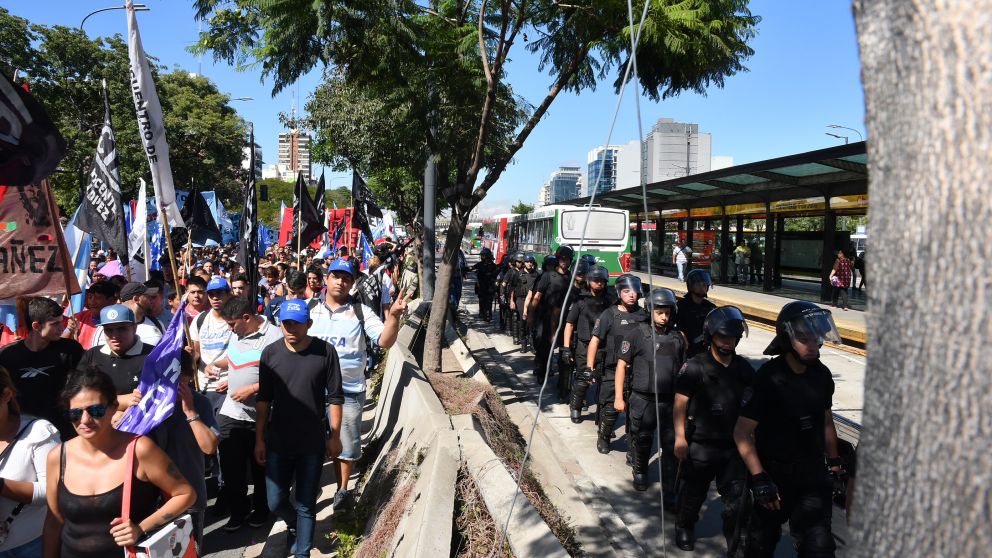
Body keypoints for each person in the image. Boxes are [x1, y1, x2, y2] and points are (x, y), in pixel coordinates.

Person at [42, 367, 195, 558]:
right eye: (75, 413)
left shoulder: (140, 450)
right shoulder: (57, 456)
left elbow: (185, 494)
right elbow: (54, 521)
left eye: (96, 410)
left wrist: (140, 528)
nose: (85, 420)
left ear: (114, 407)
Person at [734, 301, 846, 557]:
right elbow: (742, 431)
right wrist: (759, 477)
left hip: (813, 476)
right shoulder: (768, 378)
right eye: (804, 338)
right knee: (760, 544)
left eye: (816, 337)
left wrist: (835, 462)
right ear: (787, 339)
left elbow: (826, 421)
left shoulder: (822, 375)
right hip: (774, 477)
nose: (813, 344)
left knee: (820, 548)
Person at [306, 258, 409, 513]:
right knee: (310, 444)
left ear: (352, 283)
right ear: (326, 279)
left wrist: (394, 317)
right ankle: (310, 487)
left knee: (345, 446)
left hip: (349, 391)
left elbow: (384, 341)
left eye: (346, 278)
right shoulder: (308, 309)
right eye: (336, 276)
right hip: (310, 392)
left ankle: (342, 491)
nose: (340, 281)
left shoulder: (361, 312)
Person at [255, 300, 344, 558]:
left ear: (309, 324)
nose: (291, 328)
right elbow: (264, 400)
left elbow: (336, 397)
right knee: (275, 501)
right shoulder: (270, 354)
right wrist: (260, 438)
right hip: (278, 442)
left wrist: (334, 436)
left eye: (297, 323)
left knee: (306, 503)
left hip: (311, 443)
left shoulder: (325, 352)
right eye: (286, 323)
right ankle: (294, 524)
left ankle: (303, 551)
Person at [673, 306, 753, 551]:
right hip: (701, 446)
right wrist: (679, 438)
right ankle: (685, 526)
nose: (729, 342)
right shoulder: (694, 367)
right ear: (711, 336)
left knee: (738, 502)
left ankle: (735, 540)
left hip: (733, 447)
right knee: (692, 496)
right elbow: (679, 404)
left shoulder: (744, 369)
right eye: (723, 337)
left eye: (733, 337)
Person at [216, 297, 283, 531]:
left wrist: (253, 389)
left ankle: (261, 509)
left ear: (247, 318)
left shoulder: (275, 337)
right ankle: (238, 510)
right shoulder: (237, 334)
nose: (229, 329)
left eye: (232, 324)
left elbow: (282, 377)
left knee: (260, 467)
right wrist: (226, 375)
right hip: (230, 413)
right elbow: (239, 362)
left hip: (261, 418)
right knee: (232, 468)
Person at [615, 288, 686, 497]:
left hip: (669, 401)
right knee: (642, 439)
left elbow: (684, 371)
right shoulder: (636, 334)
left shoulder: (678, 338)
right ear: (650, 311)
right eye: (659, 312)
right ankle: (640, 471)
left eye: (667, 312)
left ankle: (670, 487)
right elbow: (621, 366)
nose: (664, 317)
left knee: (670, 445)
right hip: (642, 399)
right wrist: (619, 398)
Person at [0, 298, 83, 439]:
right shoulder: (7, 355)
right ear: (36, 326)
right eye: (55, 324)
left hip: (63, 431)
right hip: (21, 433)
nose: (61, 328)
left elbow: (83, 385)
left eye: (61, 321)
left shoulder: (70, 349)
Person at [0, 366, 60, 557]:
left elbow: (55, 491)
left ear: (7, 395)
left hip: (31, 546)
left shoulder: (39, 432)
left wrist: (2, 486)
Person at [586, 274, 647, 454]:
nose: (631, 295)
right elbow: (595, 341)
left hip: (636, 371)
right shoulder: (609, 314)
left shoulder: (643, 315)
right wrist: (589, 368)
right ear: (619, 293)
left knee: (636, 413)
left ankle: (634, 448)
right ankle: (604, 435)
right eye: (626, 291)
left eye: (634, 291)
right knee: (610, 408)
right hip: (612, 370)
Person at [563, 265, 614, 423]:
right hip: (584, 346)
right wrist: (566, 348)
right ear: (589, 281)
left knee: (605, 384)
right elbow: (569, 324)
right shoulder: (580, 300)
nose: (599, 283)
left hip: (605, 347)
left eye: (602, 281)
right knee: (583, 380)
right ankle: (576, 407)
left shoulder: (610, 301)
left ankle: (603, 418)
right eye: (596, 280)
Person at [527, 245, 574, 381]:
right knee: (544, 345)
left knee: (564, 348)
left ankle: (562, 381)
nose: (565, 261)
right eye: (562, 259)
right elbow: (537, 296)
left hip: (564, 318)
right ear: (558, 259)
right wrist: (531, 315)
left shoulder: (571, 278)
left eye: (567, 259)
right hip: (545, 316)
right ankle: (541, 372)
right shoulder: (548, 276)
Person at [191, 277, 233, 414]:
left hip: (228, 386)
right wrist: (189, 354)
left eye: (219, 293)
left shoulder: (237, 320)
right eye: (211, 294)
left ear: (228, 294)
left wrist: (234, 380)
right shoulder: (200, 320)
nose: (215, 298)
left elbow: (243, 355)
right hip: (204, 387)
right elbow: (196, 353)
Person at [675, 269, 717, 359]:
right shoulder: (681, 305)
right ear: (691, 286)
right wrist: (681, 334)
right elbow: (674, 324)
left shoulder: (710, 307)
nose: (702, 287)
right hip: (685, 348)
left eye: (704, 285)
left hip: (705, 349)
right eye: (698, 284)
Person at [116, 282, 164, 346]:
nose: (151, 300)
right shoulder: (111, 326)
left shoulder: (157, 323)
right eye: (148, 297)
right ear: (136, 299)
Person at [509, 255, 539, 352]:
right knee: (522, 322)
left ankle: (532, 344)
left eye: (531, 262)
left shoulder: (536, 275)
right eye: (527, 262)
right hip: (520, 300)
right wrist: (512, 301)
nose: (529, 263)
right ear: (524, 263)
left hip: (533, 301)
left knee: (532, 323)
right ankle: (523, 343)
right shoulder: (518, 274)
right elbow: (512, 288)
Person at [469, 248, 499, 322]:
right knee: (482, 301)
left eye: (483, 255)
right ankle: (482, 313)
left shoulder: (493, 266)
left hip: (490, 287)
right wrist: (464, 269)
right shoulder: (480, 264)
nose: (482, 257)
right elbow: (472, 268)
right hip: (481, 287)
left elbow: (496, 277)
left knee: (488, 302)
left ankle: (488, 315)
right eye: (481, 255)